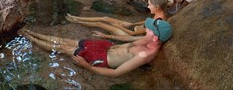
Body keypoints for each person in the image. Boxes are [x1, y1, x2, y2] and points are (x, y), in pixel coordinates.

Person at [21, 17, 172, 77]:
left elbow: (116, 73)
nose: (146, 28)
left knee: (62, 47)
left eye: (149, 28)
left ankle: (29, 38)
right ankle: (31, 32)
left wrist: (87, 66)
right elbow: (126, 38)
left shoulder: (144, 55)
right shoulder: (148, 38)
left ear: (155, 37)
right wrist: (107, 36)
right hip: (107, 46)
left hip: (101, 58)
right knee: (65, 40)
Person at [66, 0, 169, 42]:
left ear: (157, 7)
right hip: (132, 27)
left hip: (129, 33)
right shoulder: (160, 15)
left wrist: (119, 26)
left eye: (150, 5)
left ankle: (76, 21)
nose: (148, 6)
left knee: (100, 24)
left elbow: (132, 34)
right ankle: (76, 18)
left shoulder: (159, 21)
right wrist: (132, 24)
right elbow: (147, 21)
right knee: (105, 18)